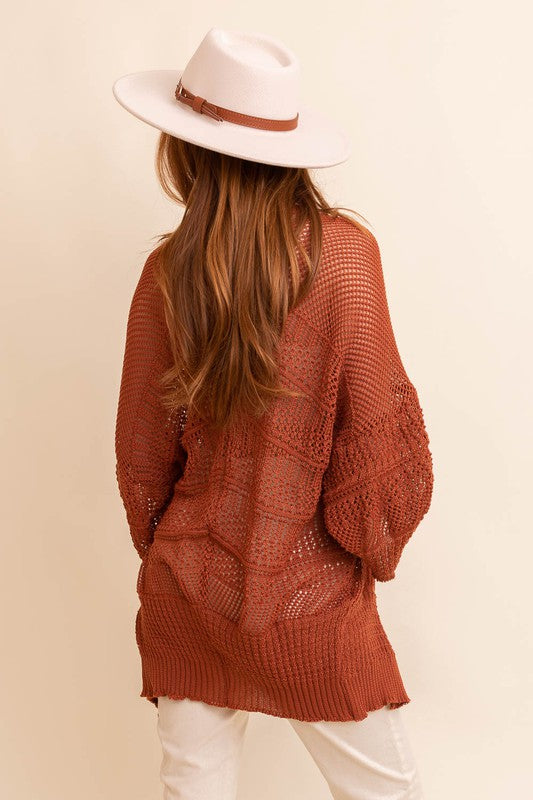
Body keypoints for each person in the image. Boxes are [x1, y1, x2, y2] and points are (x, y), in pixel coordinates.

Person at [112, 26, 434, 800]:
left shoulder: (166, 273)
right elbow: (382, 447)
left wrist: (179, 559)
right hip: (312, 602)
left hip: (187, 592)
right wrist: (365, 550)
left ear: (184, 152)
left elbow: (141, 461)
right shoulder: (343, 259)